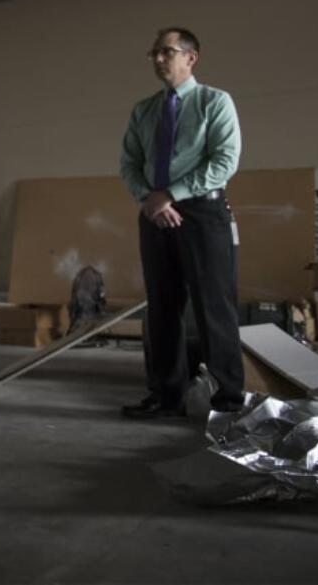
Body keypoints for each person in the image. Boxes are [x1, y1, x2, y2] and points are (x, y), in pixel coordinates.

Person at [119, 27, 244, 419]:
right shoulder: (144, 110)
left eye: (166, 51)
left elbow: (225, 160)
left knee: (213, 307)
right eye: (154, 52)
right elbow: (129, 164)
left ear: (191, 58)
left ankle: (227, 402)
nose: (158, 59)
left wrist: (169, 193)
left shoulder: (215, 102)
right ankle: (166, 396)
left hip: (203, 214)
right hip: (155, 214)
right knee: (162, 307)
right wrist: (149, 199)